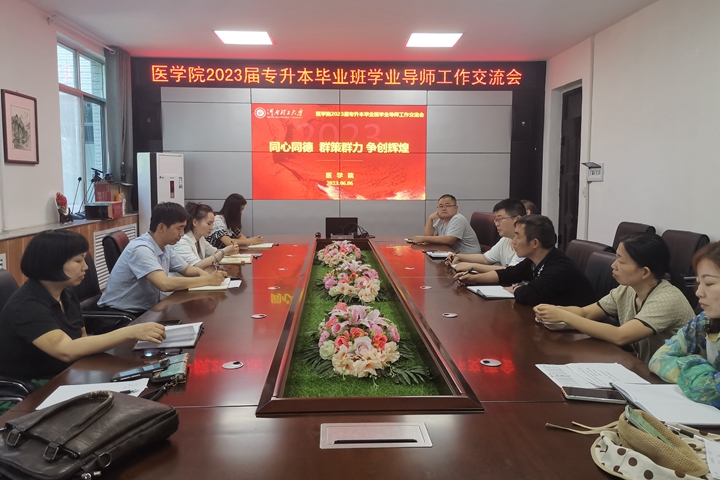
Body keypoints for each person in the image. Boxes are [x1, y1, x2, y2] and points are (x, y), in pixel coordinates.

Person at [0, 230, 166, 412]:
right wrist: (130, 331)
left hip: (67, 375)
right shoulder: (27, 304)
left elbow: (82, 339)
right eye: (78, 261)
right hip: (33, 389)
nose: (86, 267)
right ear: (53, 263)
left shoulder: (66, 294)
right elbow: (66, 350)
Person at [535, 233, 694, 363]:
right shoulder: (627, 289)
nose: (613, 265)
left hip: (675, 378)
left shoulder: (667, 299)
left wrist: (564, 316)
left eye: (621, 261)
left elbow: (620, 336)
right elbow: (586, 313)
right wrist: (553, 311)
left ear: (645, 272)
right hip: (645, 368)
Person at [98, 202, 227, 314]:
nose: (182, 234)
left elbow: (187, 269)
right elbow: (164, 284)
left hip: (147, 310)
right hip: (122, 315)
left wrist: (206, 276)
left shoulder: (165, 247)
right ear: (161, 228)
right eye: (179, 228)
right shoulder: (141, 249)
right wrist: (207, 280)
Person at [456, 214, 594, 307]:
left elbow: (528, 295)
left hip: (576, 331)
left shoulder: (558, 268)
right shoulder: (534, 260)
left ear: (534, 243)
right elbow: (509, 274)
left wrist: (515, 288)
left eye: (517, 236)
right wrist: (474, 279)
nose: (513, 241)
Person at [649, 242, 720, 406]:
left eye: (709, 283)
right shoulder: (704, 321)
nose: (698, 292)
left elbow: (714, 392)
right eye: (699, 283)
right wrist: (699, 367)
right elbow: (658, 359)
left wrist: (690, 366)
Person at [445, 198, 526, 273]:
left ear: (517, 219)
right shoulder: (506, 239)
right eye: (495, 220)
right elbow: (486, 258)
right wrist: (459, 257)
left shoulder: (526, 242)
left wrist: (473, 266)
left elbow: (511, 272)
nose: (496, 224)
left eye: (500, 219)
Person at [173, 202, 240, 271]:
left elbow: (215, 252)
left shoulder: (201, 238)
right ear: (195, 222)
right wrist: (224, 252)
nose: (211, 227)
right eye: (209, 223)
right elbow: (196, 266)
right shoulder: (182, 241)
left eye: (212, 224)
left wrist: (228, 251)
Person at [409, 194, 481, 254]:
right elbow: (429, 235)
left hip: (469, 257)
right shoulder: (442, 220)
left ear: (456, 208)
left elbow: (449, 240)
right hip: (454, 255)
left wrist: (423, 238)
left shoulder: (458, 219)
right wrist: (430, 219)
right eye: (441, 206)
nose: (443, 208)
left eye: (448, 205)